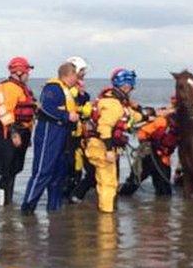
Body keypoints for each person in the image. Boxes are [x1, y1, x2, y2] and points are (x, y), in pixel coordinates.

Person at [20, 62, 80, 214]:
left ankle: (54, 207)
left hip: (63, 134)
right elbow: (46, 107)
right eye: (76, 75)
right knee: (43, 171)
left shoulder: (68, 91)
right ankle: (27, 208)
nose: (77, 79)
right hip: (49, 132)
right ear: (69, 75)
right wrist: (66, 115)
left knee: (59, 173)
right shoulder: (53, 88)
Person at [83, 68, 141, 213]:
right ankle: (107, 220)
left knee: (107, 182)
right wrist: (109, 150)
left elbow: (136, 116)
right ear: (127, 85)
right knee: (108, 184)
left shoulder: (114, 102)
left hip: (99, 146)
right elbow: (105, 128)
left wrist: (154, 115)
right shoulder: (113, 104)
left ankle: (106, 213)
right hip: (101, 147)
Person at [0, 56, 36, 206]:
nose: (28, 75)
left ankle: (8, 202)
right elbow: (4, 111)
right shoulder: (8, 88)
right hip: (8, 134)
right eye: (27, 72)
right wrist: (14, 133)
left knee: (15, 169)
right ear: (18, 71)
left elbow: (30, 112)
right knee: (6, 172)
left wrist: (27, 136)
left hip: (22, 132)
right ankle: (4, 205)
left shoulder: (22, 89)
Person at [119, 105, 177, 197]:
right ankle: (164, 209)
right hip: (164, 158)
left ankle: (120, 199)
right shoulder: (178, 124)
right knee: (164, 189)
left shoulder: (159, 121)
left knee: (134, 180)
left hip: (148, 155)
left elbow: (141, 135)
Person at [63, 56, 91, 200]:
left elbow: (87, 110)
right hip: (70, 135)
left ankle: (73, 194)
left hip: (79, 134)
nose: (84, 75)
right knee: (70, 166)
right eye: (82, 72)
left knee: (78, 165)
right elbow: (77, 109)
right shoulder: (68, 91)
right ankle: (68, 195)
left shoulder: (81, 92)